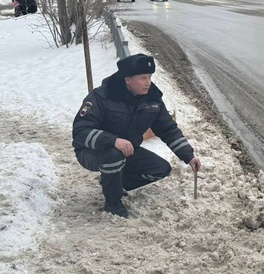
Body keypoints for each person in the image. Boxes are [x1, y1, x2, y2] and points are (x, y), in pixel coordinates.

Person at [72, 53, 201, 218]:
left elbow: (168, 129)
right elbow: (80, 131)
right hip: (91, 151)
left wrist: (189, 156)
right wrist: (113, 140)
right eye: (142, 78)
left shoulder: (153, 100)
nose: (148, 83)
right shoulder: (102, 97)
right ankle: (113, 204)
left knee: (161, 169)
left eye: (150, 77)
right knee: (113, 155)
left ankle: (114, 183)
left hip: (127, 150)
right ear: (127, 79)